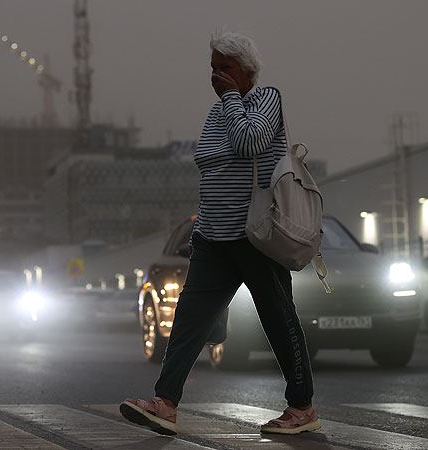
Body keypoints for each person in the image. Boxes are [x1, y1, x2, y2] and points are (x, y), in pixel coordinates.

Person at [120, 31, 320, 436]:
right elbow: (209, 171)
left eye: (224, 68)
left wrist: (231, 98)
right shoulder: (216, 113)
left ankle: (302, 408)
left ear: (246, 71)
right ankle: (165, 403)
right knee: (188, 320)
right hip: (214, 239)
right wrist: (199, 235)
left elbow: (249, 143)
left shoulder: (266, 100)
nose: (216, 76)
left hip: (256, 237)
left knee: (278, 319)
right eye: (212, 68)